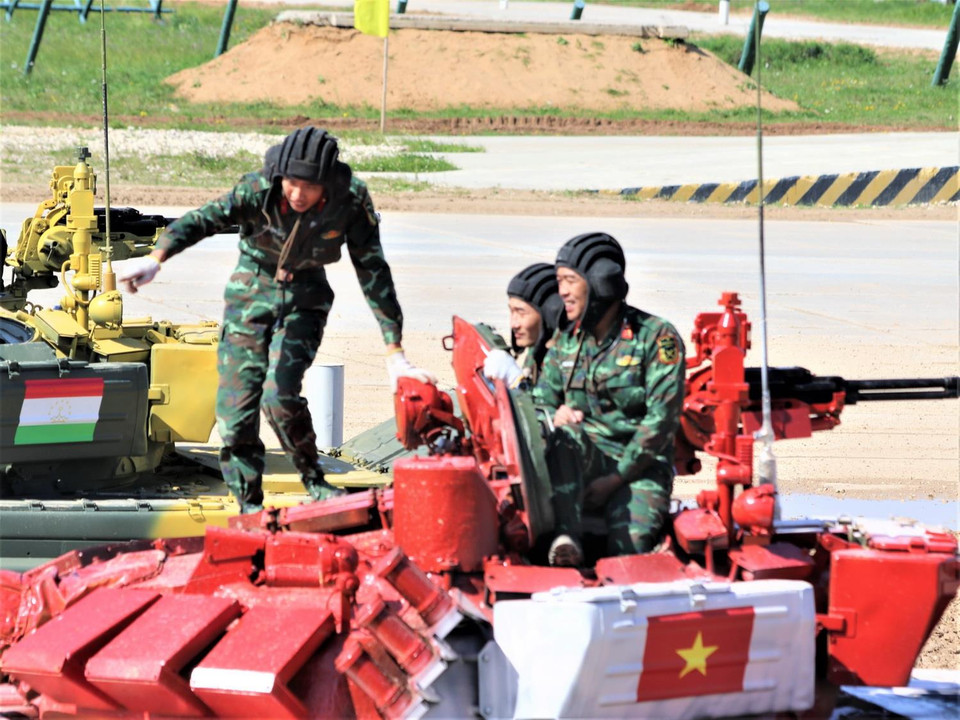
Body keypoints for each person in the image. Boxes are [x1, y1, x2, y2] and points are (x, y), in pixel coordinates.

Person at [117, 127, 436, 513]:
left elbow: (373, 272)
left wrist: (394, 350)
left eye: (309, 187)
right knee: (236, 408)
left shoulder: (350, 200)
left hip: (305, 297)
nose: (298, 194)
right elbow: (202, 220)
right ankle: (248, 505)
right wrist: (156, 259)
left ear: (327, 183)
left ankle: (314, 480)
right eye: (292, 183)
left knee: (279, 396)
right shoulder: (258, 189)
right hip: (251, 292)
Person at [533, 232, 685, 566]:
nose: (562, 292)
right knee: (565, 437)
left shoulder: (655, 336)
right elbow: (541, 399)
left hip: (640, 467)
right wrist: (553, 413)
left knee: (629, 550)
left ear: (600, 282)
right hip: (582, 458)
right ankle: (566, 537)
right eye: (559, 281)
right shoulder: (566, 338)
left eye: (569, 281)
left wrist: (616, 480)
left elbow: (661, 420)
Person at [482, 262, 562, 388]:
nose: (514, 324)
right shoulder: (536, 350)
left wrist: (517, 381)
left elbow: (544, 406)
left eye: (521, 312)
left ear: (549, 314)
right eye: (512, 312)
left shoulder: (571, 357)